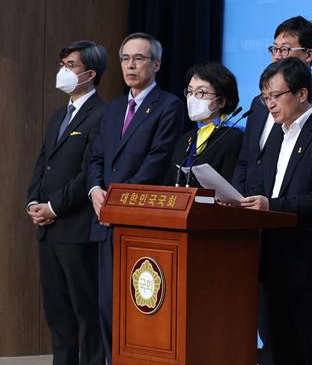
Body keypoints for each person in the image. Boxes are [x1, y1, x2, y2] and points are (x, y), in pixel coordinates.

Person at [231, 15, 312, 364]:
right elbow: (258, 174)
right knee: (276, 345)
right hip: (268, 251)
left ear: (302, 93)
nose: (270, 104)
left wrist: (270, 206)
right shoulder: (277, 131)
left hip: (307, 255)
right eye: (265, 98)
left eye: (275, 96)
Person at [87, 32, 184, 363]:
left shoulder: (169, 106)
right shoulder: (113, 108)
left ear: (156, 64)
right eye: (125, 58)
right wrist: (95, 190)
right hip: (105, 221)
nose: (130, 65)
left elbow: (156, 163)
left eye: (138, 58)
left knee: (136, 307)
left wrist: (116, 201)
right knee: (105, 306)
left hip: (138, 223)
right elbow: (97, 158)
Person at [26, 40, 108, 365]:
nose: (63, 71)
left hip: (77, 229)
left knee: (85, 312)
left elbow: (89, 172)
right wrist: (33, 202)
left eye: (70, 65)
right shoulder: (59, 115)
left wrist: (54, 207)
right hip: (47, 230)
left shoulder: (102, 114)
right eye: (62, 64)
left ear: (90, 73)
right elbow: (42, 162)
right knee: (57, 312)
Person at [164, 62, 243, 186]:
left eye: (201, 92)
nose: (192, 98)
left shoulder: (234, 136)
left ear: (221, 101)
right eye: (190, 92)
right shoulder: (185, 139)